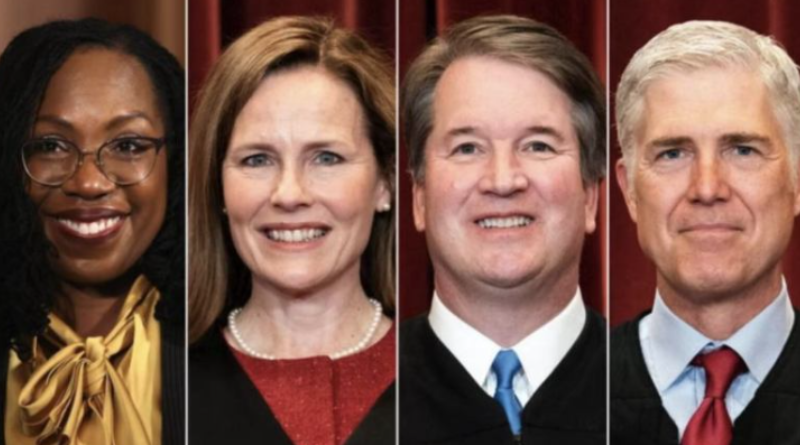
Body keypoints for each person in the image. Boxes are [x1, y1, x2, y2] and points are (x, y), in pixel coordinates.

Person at [188, 16, 396, 445]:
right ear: (218, 186)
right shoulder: (154, 392)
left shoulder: (463, 379)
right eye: (257, 160)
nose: (289, 194)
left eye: (326, 158)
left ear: (385, 183)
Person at [400, 15, 606, 445]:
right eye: (467, 148)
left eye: (538, 145)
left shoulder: (665, 396)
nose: (503, 180)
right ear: (419, 197)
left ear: (590, 195)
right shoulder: (362, 398)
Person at [612, 21, 800, 444]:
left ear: (797, 179)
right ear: (630, 192)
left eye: (743, 150)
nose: (707, 188)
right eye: (672, 154)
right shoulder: (563, 394)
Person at [0, 18, 185, 445]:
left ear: (174, 162)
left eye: (128, 146)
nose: (88, 183)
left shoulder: (224, 351)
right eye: (50, 146)